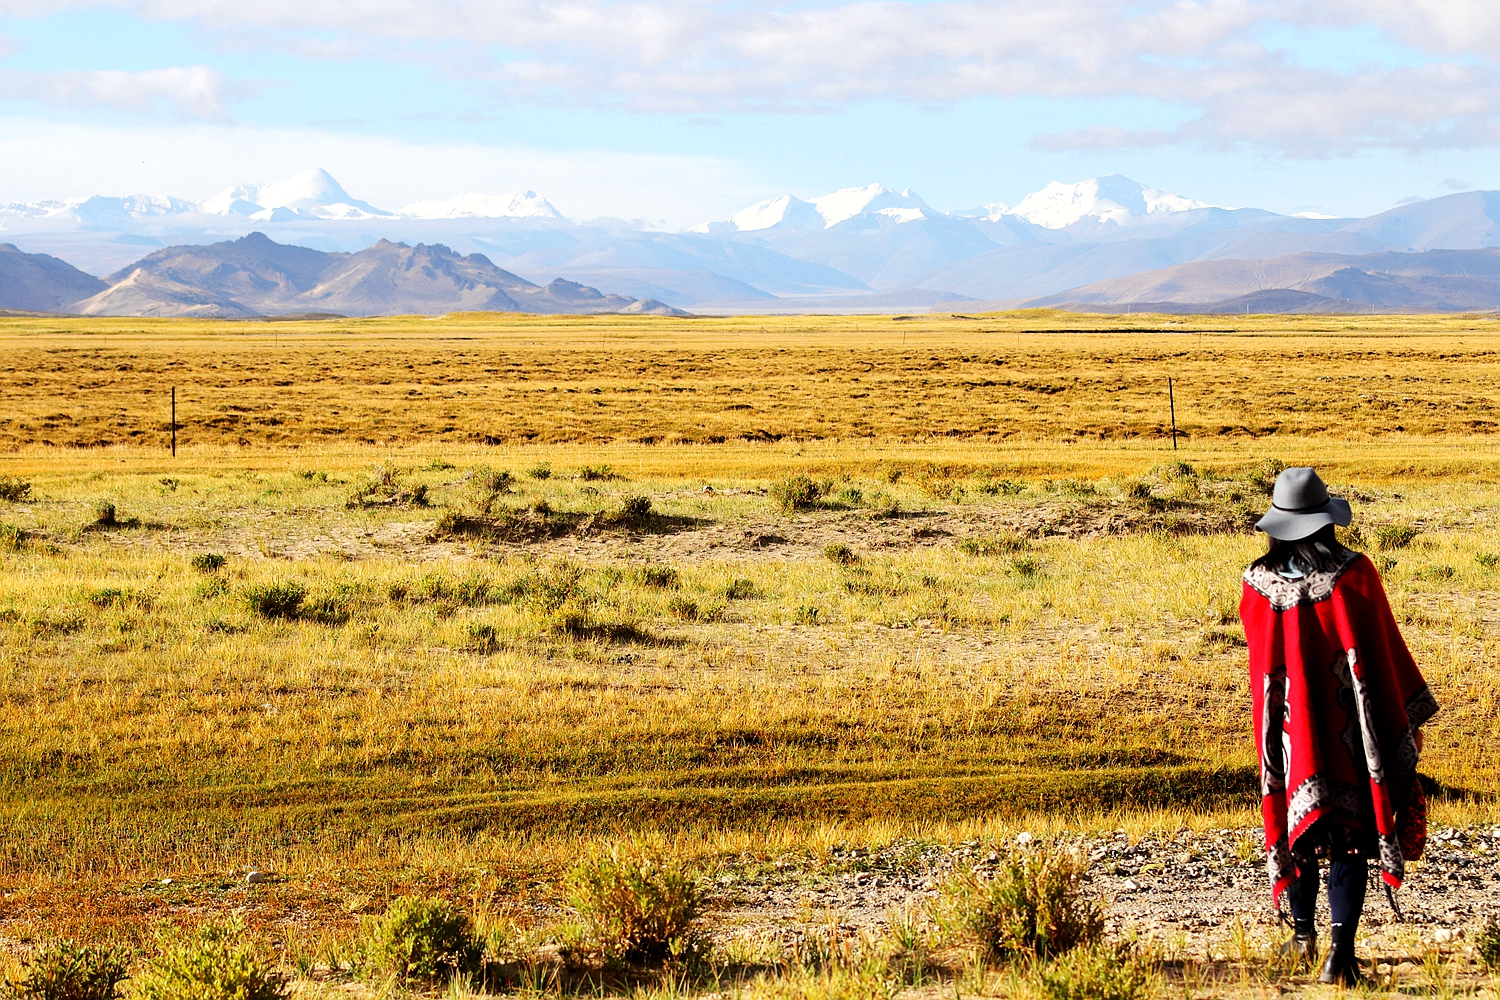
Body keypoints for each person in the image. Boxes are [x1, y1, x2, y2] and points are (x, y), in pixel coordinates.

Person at [1240, 467, 1438, 985]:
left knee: (1299, 829)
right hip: (1351, 731)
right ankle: (1339, 955)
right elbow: (1382, 653)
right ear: (1326, 522)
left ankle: (1303, 936)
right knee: (1352, 834)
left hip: (1286, 735)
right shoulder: (1354, 576)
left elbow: (1264, 669)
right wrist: (1402, 720)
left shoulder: (1255, 585)